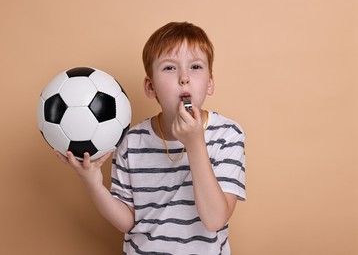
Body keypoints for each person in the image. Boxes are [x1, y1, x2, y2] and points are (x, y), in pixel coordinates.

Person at [57, 21, 246, 255]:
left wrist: (195, 143)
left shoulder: (228, 135)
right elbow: (128, 221)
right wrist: (92, 182)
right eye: (169, 68)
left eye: (195, 67)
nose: (184, 78)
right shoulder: (131, 142)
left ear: (210, 83)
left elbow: (215, 220)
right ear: (150, 87)